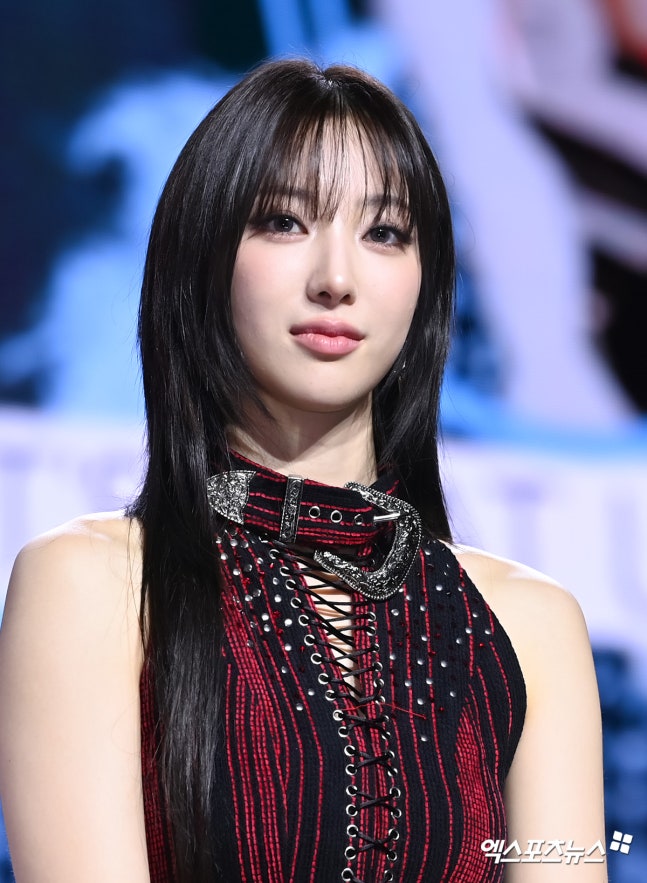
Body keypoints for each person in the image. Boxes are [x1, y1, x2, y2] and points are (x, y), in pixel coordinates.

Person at [0, 59, 606, 882]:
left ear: (425, 284)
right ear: (203, 255)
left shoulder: (530, 623)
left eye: (384, 232)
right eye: (284, 221)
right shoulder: (93, 584)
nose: (336, 279)